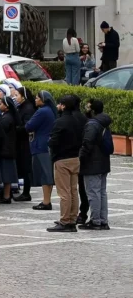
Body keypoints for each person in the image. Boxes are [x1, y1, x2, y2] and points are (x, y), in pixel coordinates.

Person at [48, 95, 86, 232]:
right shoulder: (76, 120)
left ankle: (65, 221)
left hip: (62, 159)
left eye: (59, 104)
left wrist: (51, 143)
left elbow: (53, 141)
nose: (58, 106)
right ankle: (72, 219)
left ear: (63, 106)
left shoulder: (60, 121)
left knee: (64, 192)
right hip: (75, 158)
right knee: (73, 191)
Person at [80, 99, 112, 231]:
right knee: (102, 192)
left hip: (92, 163)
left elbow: (87, 143)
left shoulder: (93, 124)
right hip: (103, 161)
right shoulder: (104, 122)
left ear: (93, 110)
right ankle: (103, 220)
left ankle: (95, 221)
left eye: (88, 107)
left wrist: (80, 157)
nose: (86, 109)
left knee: (93, 193)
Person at [27, 90, 58, 210]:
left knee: (45, 174)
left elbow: (29, 125)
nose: (35, 100)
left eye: (37, 98)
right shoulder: (51, 111)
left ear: (43, 99)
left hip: (41, 145)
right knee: (47, 173)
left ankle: (46, 201)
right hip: (47, 144)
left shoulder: (42, 111)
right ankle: (46, 200)